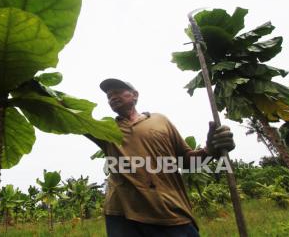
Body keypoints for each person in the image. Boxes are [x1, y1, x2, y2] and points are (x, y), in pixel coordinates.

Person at [85, 78, 235, 237]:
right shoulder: (106, 130)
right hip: (123, 215)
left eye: (117, 93)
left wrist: (210, 150)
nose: (112, 98)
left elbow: (187, 161)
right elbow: (71, 117)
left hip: (169, 210)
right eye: (109, 96)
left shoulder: (160, 121)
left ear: (135, 95)